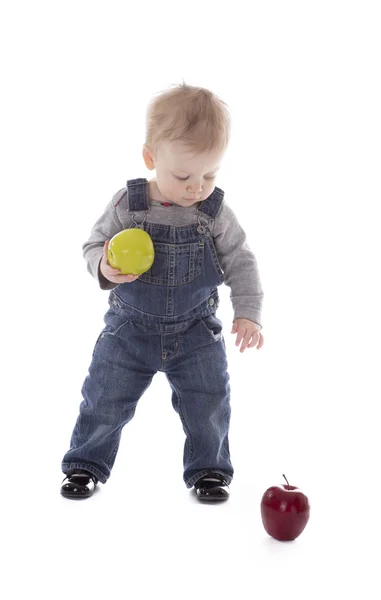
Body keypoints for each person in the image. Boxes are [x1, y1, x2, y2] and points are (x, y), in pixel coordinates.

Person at [60, 83, 264, 501]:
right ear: (151, 159)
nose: (197, 187)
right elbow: (92, 245)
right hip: (129, 330)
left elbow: (241, 260)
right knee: (104, 398)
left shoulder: (214, 214)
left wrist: (248, 311)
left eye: (210, 174)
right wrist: (104, 265)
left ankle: (209, 471)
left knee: (209, 402)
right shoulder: (127, 205)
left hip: (195, 332)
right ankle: (85, 465)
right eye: (184, 176)